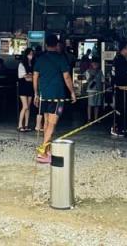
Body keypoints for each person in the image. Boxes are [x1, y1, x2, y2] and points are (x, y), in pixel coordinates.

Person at [33, 34, 76, 164]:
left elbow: (35, 77)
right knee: (52, 124)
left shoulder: (40, 59)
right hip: (57, 97)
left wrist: (36, 93)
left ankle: (47, 150)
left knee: (46, 123)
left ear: (46, 45)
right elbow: (67, 77)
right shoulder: (61, 58)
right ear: (56, 45)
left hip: (44, 95)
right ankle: (42, 153)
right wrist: (72, 92)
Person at [16, 48, 35, 132]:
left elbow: (31, 77)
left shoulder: (33, 64)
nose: (31, 55)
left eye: (32, 54)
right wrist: (31, 77)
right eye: (30, 54)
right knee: (25, 106)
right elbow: (24, 77)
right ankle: (20, 125)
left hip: (30, 87)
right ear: (26, 55)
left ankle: (26, 125)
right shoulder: (21, 64)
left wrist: (30, 76)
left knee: (28, 107)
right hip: (23, 87)